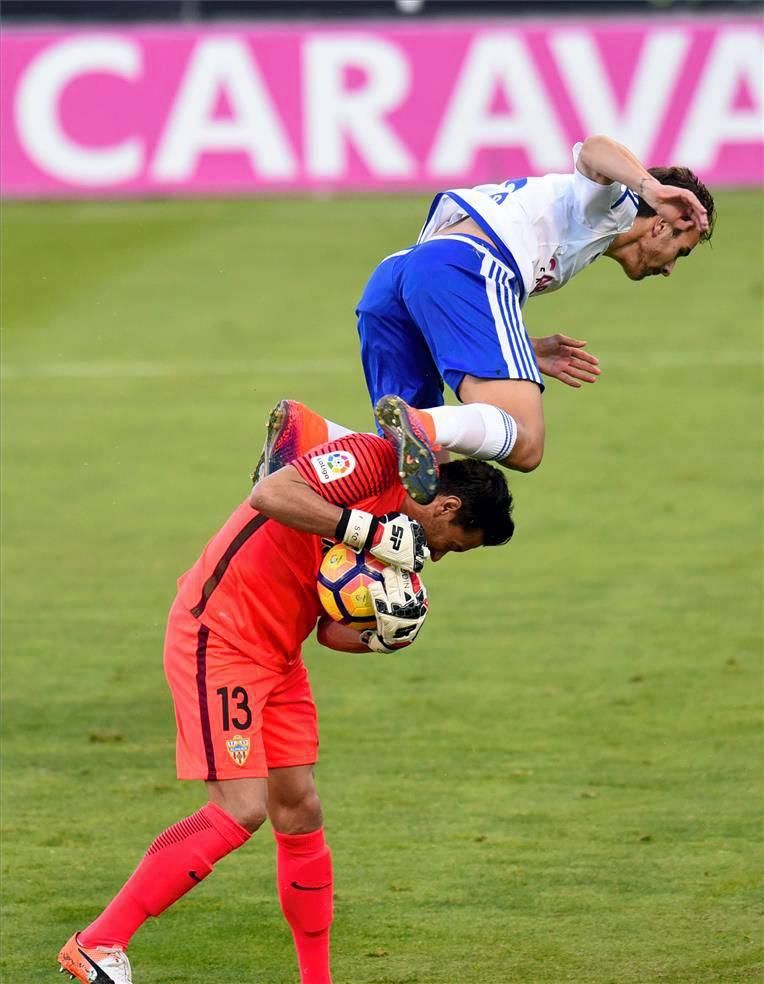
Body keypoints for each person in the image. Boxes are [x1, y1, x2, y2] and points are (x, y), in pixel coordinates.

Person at [57, 430, 514, 984]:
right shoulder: (374, 466)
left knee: (300, 812)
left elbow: (327, 629)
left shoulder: (404, 548)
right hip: (219, 639)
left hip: (280, 656)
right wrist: (369, 531)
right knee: (240, 808)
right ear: (447, 505)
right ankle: (98, 942)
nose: (437, 556)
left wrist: (380, 636)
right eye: (451, 544)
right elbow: (270, 494)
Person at [256, 134, 716, 504]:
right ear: (661, 224)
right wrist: (650, 187)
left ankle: (312, 439)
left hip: (401, 277)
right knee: (526, 442)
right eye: (682, 251)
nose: (671, 267)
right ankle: (422, 423)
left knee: (425, 473)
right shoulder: (611, 208)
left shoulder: (590, 232)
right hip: (463, 267)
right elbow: (596, 149)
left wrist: (523, 347)